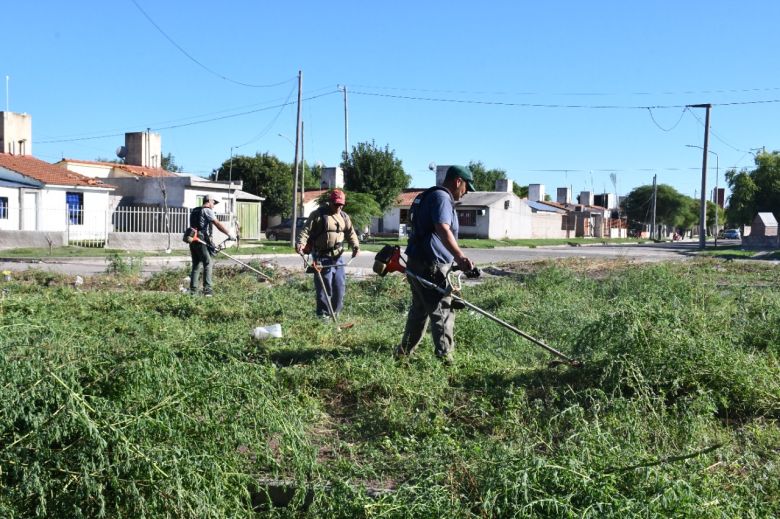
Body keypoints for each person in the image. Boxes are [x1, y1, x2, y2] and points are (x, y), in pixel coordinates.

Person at [396, 165, 475, 364]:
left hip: (419, 262)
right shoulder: (441, 198)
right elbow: (442, 228)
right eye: (466, 187)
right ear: (458, 181)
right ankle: (446, 360)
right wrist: (460, 257)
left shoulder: (430, 196)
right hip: (430, 265)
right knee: (443, 311)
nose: (465, 192)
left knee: (420, 311)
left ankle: (403, 354)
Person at [296, 189, 360, 320]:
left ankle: (335, 313)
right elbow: (306, 231)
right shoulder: (318, 215)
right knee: (325, 287)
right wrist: (300, 243)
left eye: (341, 204)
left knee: (339, 287)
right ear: (330, 202)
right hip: (322, 257)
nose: (339, 207)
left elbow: (351, 233)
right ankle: (323, 315)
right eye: (336, 204)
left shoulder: (344, 217)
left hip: (338, 257)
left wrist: (355, 246)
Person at [188, 194, 235, 296]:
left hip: (192, 239)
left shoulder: (195, 210)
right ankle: (207, 290)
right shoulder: (207, 211)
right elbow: (217, 224)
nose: (214, 205)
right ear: (209, 201)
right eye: (213, 202)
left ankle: (193, 290)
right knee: (208, 263)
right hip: (200, 239)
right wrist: (229, 234)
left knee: (196, 264)